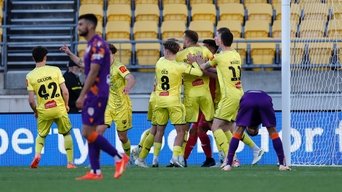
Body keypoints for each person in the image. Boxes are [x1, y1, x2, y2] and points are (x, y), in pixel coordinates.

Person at [69, 13, 128, 180]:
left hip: (97, 94)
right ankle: (96, 171)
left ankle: (119, 157)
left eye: (81, 24)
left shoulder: (98, 45)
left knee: (87, 132)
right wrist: (69, 54)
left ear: (91, 26)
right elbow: (84, 64)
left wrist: (82, 95)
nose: (78, 27)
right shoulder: (90, 45)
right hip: (95, 94)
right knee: (91, 132)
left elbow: (94, 71)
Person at [195, 28, 244, 167]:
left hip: (228, 96)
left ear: (221, 40)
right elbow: (222, 69)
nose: (215, 38)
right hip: (239, 94)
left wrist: (197, 60)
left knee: (216, 127)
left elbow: (203, 67)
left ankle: (229, 159)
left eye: (216, 36)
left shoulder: (219, 57)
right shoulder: (236, 55)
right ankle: (234, 158)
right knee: (227, 127)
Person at [153, 39, 203, 167]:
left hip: (159, 100)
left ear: (167, 51)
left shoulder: (159, 62)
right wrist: (194, 62)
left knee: (159, 131)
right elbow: (199, 72)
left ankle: (155, 159)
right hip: (173, 101)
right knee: (180, 131)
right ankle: (175, 157)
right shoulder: (180, 66)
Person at [26, 46, 76, 169]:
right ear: (45, 57)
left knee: (41, 135)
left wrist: (36, 111)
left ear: (33, 58)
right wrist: (66, 105)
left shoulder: (30, 76)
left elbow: (31, 101)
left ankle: (37, 155)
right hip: (59, 108)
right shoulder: (55, 70)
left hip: (44, 110)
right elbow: (65, 91)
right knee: (66, 133)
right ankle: (70, 163)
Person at [172, 30, 215, 167]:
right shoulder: (206, 54)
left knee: (211, 127)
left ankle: (229, 157)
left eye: (209, 46)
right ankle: (182, 159)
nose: (206, 48)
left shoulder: (181, 55)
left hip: (207, 97)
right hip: (206, 96)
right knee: (195, 129)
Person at [222, 90, 291, 171]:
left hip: (251, 100)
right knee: (273, 132)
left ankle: (228, 165)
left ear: (247, 127)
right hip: (263, 100)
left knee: (238, 132)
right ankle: (282, 164)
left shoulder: (249, 121)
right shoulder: (260, 118)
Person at [95, 44, 135, 157]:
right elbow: (81, 63)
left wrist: (128, 86)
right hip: (106, 106)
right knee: (98, 132)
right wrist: (70, 53)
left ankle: (127, 158)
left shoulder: (119, 67)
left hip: (121, 106)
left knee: (122, 137)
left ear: (112, 54)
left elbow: (130, 78)